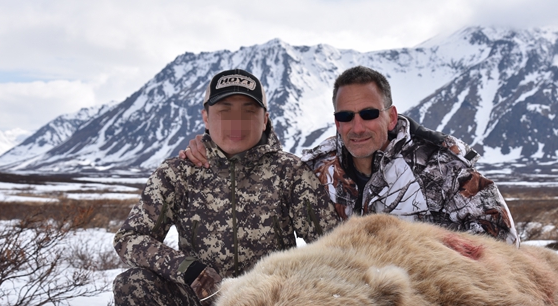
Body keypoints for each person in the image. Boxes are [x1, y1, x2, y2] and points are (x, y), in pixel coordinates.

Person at [113, 68, 339, 306]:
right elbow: (128, 238)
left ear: (265, 119)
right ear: (206, 118)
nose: (237, 123)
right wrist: (187, 269)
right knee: (133, 285)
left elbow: (332, 247)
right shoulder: (178, 173)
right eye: (224, 111)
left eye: (249, 111)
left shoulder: (290, 173)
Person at [183, 66, 518, 246]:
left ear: (390, 116)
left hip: (435, 300)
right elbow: (264, 173)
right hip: (349, 304)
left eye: (369, 114)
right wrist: (211, 147)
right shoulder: (317, 167)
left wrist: (429, 262)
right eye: (346, 117)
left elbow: (502, 240)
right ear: (336, 122)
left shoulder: (441, 165)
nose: (357, 127)